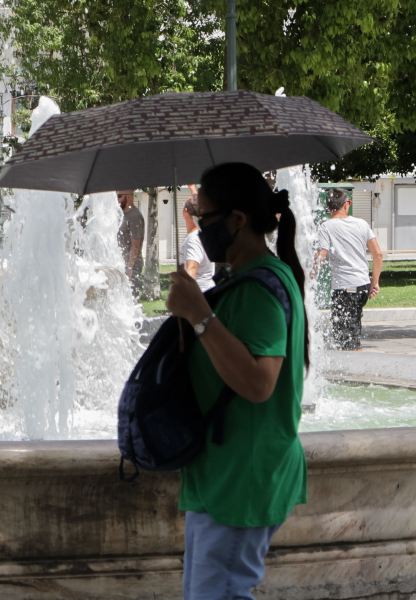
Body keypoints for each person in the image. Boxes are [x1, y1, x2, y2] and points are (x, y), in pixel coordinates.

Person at [165, 163, 308, 599]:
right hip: (225, 475)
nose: (198, 225)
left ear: (237, 220)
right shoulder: (248, 281)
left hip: (241, 478)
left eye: (204, 216)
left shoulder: (259, 288)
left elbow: (260, 383)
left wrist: (200, 315)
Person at [315, 188, 383, 351]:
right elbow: (378, 255)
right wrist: (374, 282)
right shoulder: (362, 224)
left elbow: (320, 256)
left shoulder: (326, 227)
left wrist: (309, 278)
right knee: (351, 333)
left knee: (346, 341)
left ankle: (356, 372)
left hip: (344, 289)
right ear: (347, 204)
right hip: (361, 286)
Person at [180, 186, 215, 292]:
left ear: (185, 211)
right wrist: (192, 187)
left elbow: (192, 269)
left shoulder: (193, 239)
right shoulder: (203, 233)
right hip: (207, 293)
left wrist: (185, 297)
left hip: (200, 295)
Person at [117, 190, 144, 295]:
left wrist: (130, 268)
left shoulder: (135, 216)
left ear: (128, 196)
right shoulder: (123, 214)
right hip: (123, 263)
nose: (117, 199)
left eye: (119, 196)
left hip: (132, 265)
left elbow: (135, 244)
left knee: (132, 298)